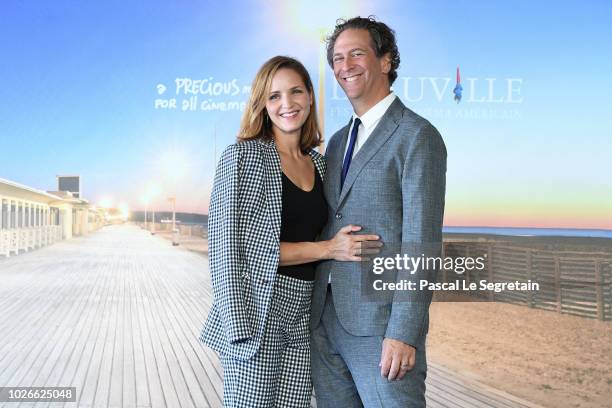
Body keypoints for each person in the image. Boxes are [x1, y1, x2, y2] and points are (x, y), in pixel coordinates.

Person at [199, 55, 381, 408]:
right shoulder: (242, 157)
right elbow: (226, 248)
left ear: (310, 97)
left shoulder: (320, 164)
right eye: (274, 96)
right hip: (257, 311)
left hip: (303, 313)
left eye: (296, 91)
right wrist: (239, 326)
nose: (287, 104)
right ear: (263, 105)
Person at [310, 17, 447, 407]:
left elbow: (423, 243)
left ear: (386, 61)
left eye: (357, 53)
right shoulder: (336, 142)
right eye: (337, 58)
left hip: (381, 327)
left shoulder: (417, 136)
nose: (344, 66)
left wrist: (403, 332)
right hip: (325, 320)